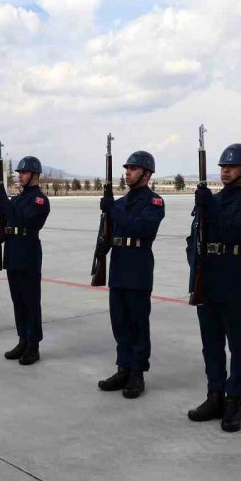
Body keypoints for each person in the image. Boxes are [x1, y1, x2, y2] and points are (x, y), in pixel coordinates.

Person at [185, 144, 241, 432]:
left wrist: (211, 208)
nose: (225, 171)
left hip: (233, 282)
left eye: (231, 166)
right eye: (222, 167)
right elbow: (193, 239)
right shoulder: (211, 200)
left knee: (238, 345)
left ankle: (234, 401)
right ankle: (215, 395)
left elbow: (237, 232)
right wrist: (195, 267)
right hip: (207, 280)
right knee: (211, 344)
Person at [96, 151, 165, 398]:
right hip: (118, 267)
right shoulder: (121, 202)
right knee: (120, 323)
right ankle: (123, 368)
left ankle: (137, 373)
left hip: (138, 268)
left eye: (133, 169)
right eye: (126, 168)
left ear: (146, 174)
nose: (127, 173)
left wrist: (113, 210)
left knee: (138, 324)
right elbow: (110, 233)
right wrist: (101, 248)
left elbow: (140, 228)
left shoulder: (154, 202)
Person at [0, 156, 50, 365]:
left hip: (28, 254)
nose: (20, 176)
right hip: (13, 252)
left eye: (24, 172)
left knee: (30, 302)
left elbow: (24, 219)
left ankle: (33, 345)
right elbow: (9, 220)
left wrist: (4, 202)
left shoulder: (39, 200)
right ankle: (22, 339)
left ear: (35, 175)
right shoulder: (18, 199)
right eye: (19, 173)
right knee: (18, 300)